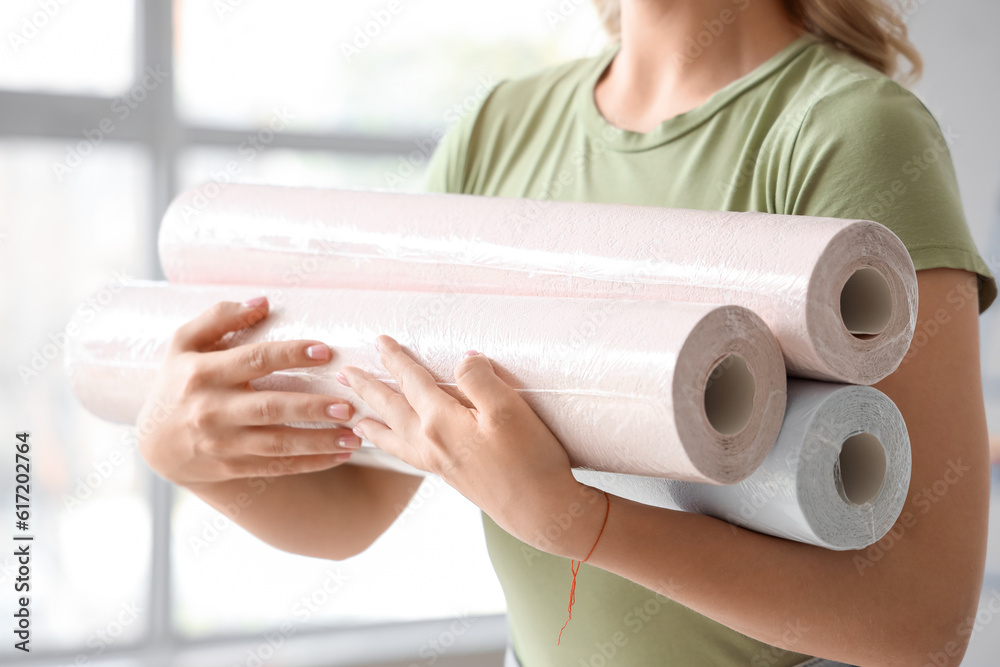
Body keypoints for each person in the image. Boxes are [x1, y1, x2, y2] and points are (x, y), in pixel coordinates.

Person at [136, 1, 997, 665]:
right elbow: (358, 506)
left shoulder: (850, 135)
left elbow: (923, 621)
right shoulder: (498, 132)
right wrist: (188, 461)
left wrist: (581, 523)